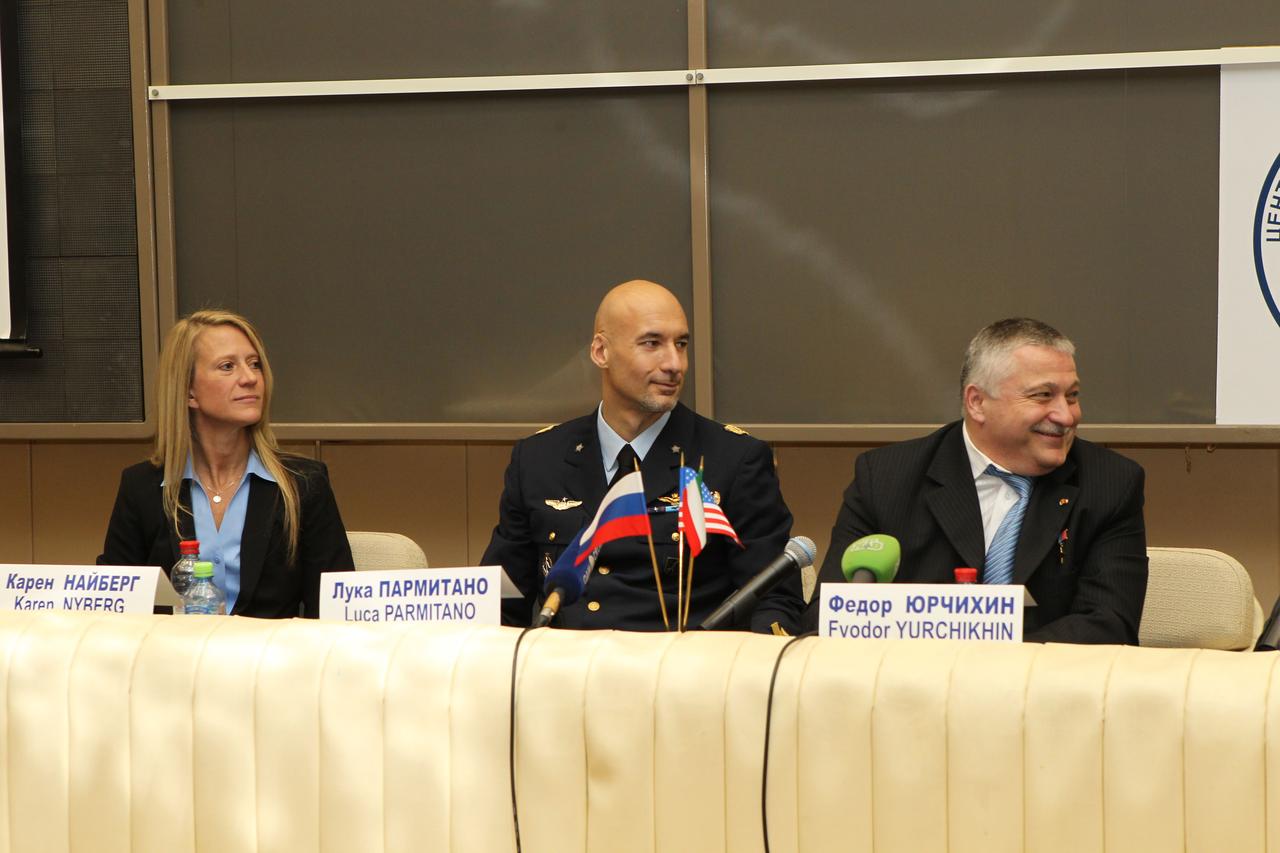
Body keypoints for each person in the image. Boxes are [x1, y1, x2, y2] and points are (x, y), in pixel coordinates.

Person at [483, 279, 803, 633]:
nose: (674, 363)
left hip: (681, 664)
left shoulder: (734, 459)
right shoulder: (539, 459)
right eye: (652, 343)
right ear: (601, 352)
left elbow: (774, 602)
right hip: (566, 664)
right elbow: (500, 603)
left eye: (681, 344)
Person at [804, 318, 1147, 643]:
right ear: (977, 402)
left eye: (1072, 396)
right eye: (1043, 395)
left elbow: (1110, 625)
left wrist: (987, 663)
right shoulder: (886, 479)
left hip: (1040, 682)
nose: (1067, 415)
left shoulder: (1110, 484)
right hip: (913, 679)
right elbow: (828, 617)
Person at [98, 309, 353, 617]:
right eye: (227, 366)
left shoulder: (304, 484)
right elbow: (115, 604)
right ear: (188, 391)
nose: (250, 378)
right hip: (175, 648)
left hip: (271, 648)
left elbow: (333, 613)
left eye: (254, 364)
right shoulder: (142, 487)